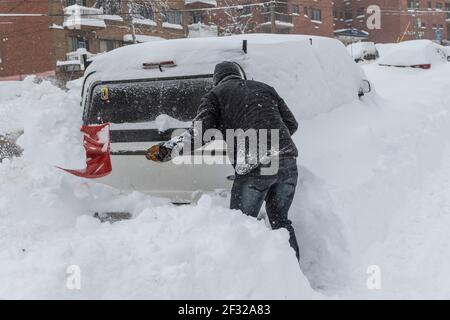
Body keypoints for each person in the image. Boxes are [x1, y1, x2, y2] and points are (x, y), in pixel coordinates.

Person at [146, 61, 300, 260]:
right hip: (287, 160)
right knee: (281, 222)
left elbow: (199, 134)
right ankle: (293, 276)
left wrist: (167, 150)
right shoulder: (264, 88)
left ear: (216, 80)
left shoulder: (215, 95)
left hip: (255, 163)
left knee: (240, 225)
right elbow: (291, 124)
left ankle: (243, 278)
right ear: (239, 75)